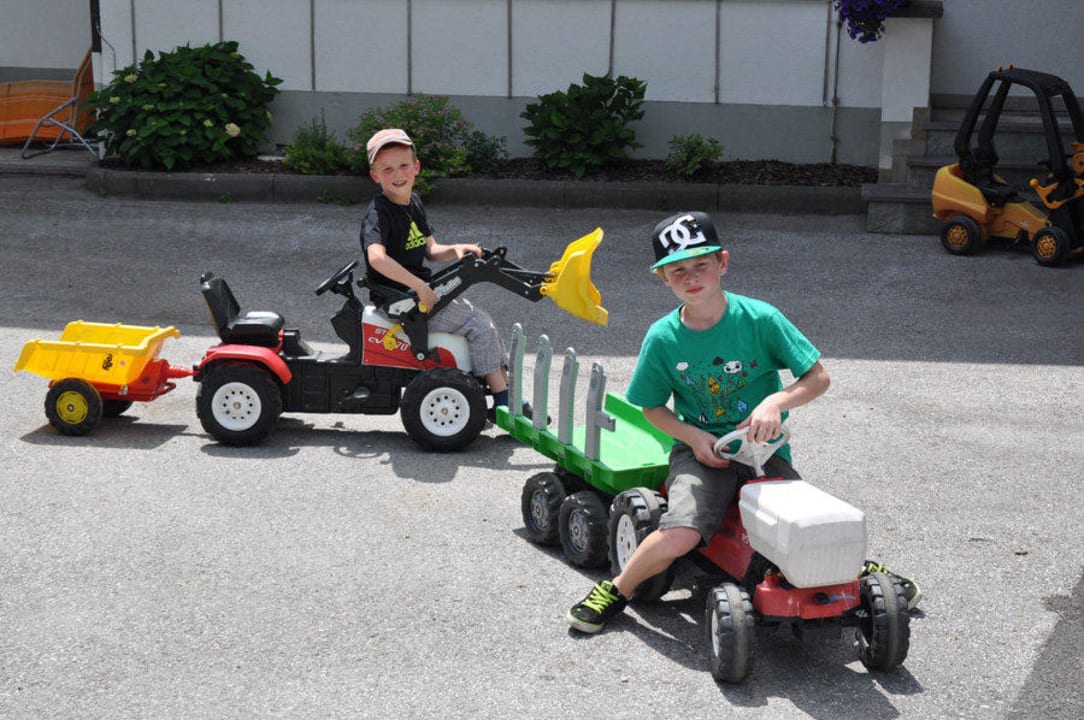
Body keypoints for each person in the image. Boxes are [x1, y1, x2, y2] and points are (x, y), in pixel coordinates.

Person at [566, 210, 833, 634]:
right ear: (663, 279)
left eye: (701, 265)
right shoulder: (663, 337)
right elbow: (652, 407)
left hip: (763, 449)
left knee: (802, 523)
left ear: (722, 263)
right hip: (699, 452)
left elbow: (818, 377)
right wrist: (692, 438)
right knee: (681, 534)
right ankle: (617, 589)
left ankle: (857, 573)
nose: (691, 277)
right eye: (678, 271)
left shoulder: (760, 319)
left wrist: (775, 401)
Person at [359, 128, 511, 415]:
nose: (398, 174)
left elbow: (430, 249)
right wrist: (417, 285)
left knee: (482, 320)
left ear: (416, 168)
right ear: (376, 176)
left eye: (403, 165)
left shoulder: (413, 203)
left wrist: (455, 249)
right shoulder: (378, 214)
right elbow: (377, 259)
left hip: (416, 293)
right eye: (388, 169)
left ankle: (502, 386)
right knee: (479, 325)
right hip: (398, 300)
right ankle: (503, 403)